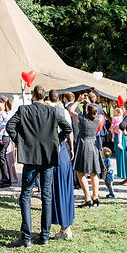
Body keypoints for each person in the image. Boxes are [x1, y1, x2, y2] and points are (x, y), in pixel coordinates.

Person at [5, 85, 72, 247]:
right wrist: (56, 141)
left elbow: (9, 127)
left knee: (26, 194)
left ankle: (27, 237)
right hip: (47, 156)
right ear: (44, 97)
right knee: (46, 195)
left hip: (31, 156)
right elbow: (67, 129)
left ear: (33, 96)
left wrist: (21, 143)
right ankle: (45, 236)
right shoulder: (53, 111)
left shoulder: (24, 110)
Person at [47, 90, 75, 240]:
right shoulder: (63, 111)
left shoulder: (51, 111)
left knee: (59, 190)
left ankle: (65, 227)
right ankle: (66, 226)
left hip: (56, 151)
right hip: (64, 149)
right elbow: (70, 132)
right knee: (64, 188)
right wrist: (72, 148)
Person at [73, 103, 102, 207]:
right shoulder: (97, 120)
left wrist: (77, 101)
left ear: (87, 111)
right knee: (94, 172)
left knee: (80, 172)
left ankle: (87, 198)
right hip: (94, 145)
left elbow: (71, 110)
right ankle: (96, 196)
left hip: (84, 144)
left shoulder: (82, 119)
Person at [0, 98, 15, 188]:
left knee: (2, 158)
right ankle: (5, 177)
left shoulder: (8, 115)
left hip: (4, 136)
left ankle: (6, 179)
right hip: (3, 136)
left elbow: (2, 125)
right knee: (2, 157)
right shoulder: (8, 114)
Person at [112, 105, 127, 184]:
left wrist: (114, 128)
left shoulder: (124, 119)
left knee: (125, 157)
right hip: (118, 138)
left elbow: (117, 128)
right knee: (122, 157)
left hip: (123, 139)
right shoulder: (123, 118)